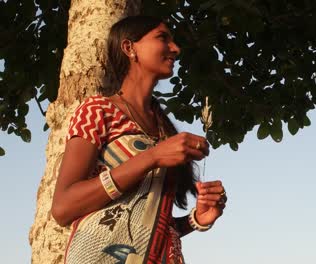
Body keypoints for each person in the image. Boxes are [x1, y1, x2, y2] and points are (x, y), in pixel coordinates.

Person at [51, 16, 227, 264]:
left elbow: (145, 224)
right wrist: (152, 157)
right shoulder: (98, 111)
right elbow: (63, 207)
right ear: (129, 48)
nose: (175, 48)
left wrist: (196, 219)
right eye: (162, 38)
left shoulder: (164, 129)